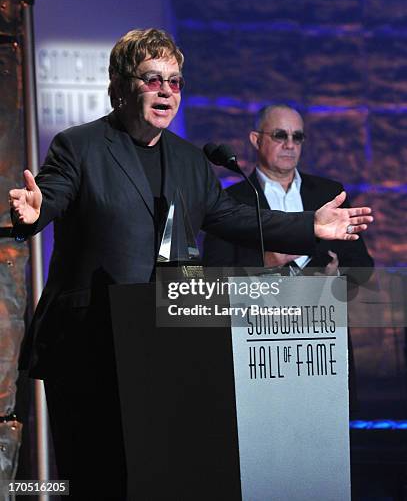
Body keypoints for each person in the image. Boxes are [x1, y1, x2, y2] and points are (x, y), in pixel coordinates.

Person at [9, 30, 373, 500]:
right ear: (120, 87)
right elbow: (50, 196)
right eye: (152, 79)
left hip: (164, 346)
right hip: (88, 344)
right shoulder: (78, 146)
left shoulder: (189, 160)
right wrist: (35, 212)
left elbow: (235, 218)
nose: (165, 91)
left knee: (162, 478)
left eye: (175, 82)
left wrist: (310, 226)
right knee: (97, 480)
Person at [203, 104, 374, 279]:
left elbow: (362, 265)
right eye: (280, 135)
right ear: (256, 140)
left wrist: (336, 277)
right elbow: (213, 273)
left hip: (321, 305)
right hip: (258, 305)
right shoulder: (229, 200)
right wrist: (264, 262)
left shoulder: (330, 193)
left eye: (297, 137)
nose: (290, 145)